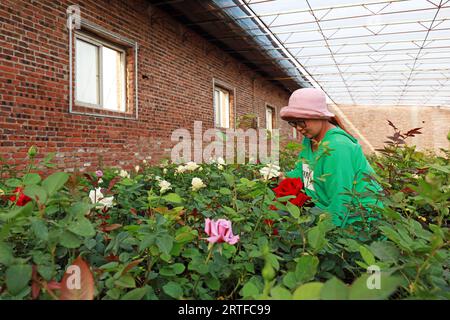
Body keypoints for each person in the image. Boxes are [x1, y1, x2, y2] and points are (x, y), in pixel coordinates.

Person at [280, 88, 383, 228]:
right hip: (324, 208)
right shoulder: (310, 139)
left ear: (320, 116)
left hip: (358, 220)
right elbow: (303, 171)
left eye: (301, 121)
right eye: (293, 123)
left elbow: (341, 199)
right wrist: (283, 177)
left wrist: (322, 236)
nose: (298, 128)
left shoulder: (338, 147)